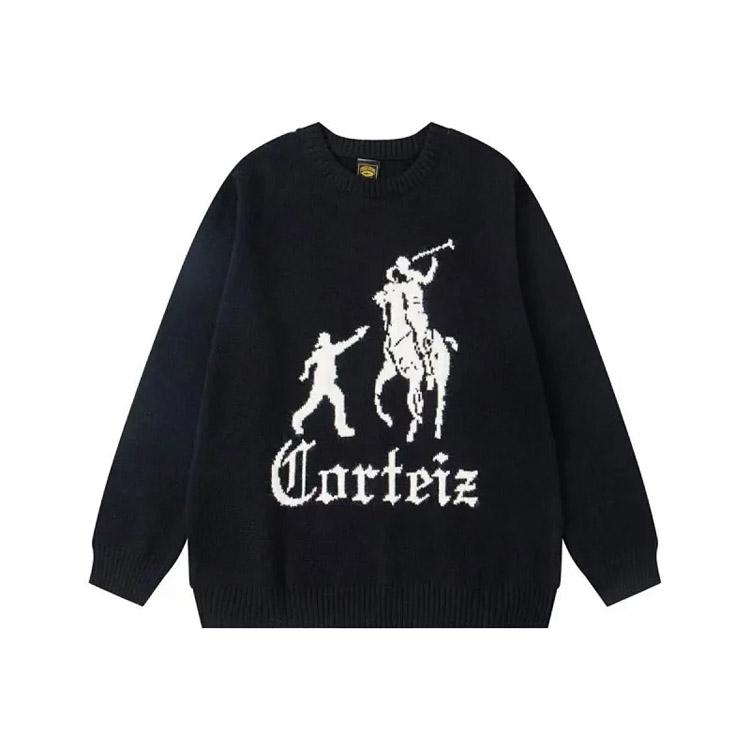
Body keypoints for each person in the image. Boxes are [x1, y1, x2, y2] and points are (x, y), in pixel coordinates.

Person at [291, 326, 369, 438]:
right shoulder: (320, 352)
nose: (328, 340)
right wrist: (305, 374)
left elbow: (346, 344)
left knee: (339, 400)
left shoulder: (332, 349)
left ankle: (341, 428)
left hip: (330, 384)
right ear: (322, 341)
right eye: (325, 339)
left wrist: (358, 336)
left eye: (328, 338)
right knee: (311, 405)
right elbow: (308, 362)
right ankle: (296, 421)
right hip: (320, 384)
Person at [384, 255, 438, 382]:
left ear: (407, 265)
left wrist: (433, 265)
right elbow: (390, 280)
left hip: (418, 314)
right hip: (407, 315)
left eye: (401, 266)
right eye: (399, 267)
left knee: (420, 341)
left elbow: (427, 280)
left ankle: (429, 371)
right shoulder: (401, 283)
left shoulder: (415, 276)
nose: (400, 269)